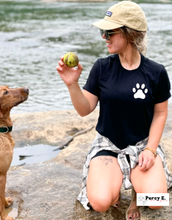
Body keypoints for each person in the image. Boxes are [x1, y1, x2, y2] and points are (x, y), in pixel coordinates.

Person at [56, 1, 172, 220]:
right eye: (103, 31)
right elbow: (85, 109)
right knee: (100, 203)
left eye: (109, 32)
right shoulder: (102, 67)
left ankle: (137, 196)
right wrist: (72, 84)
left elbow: (160, 113)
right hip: (108, 145)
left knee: (156, 201)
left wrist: (150, 149)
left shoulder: (156, 72)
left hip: (142, 145)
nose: (104, 37)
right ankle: (115, 182)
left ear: (129, 34)